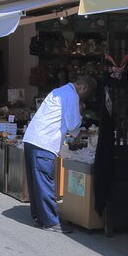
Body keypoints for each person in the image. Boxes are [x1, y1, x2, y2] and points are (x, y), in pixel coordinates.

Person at [23, 76, 96, 233]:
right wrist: (81, 111)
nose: (83, 99)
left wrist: (81, 131)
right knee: (45, 182)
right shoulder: (71, 95)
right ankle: (51, 221)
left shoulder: (59, 91)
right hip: (44, 143)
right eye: (85, 96)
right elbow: (72, 124)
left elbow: (69, 126)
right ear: (83, 88)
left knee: (36, 182)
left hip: (33, 140)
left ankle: (39, 216)